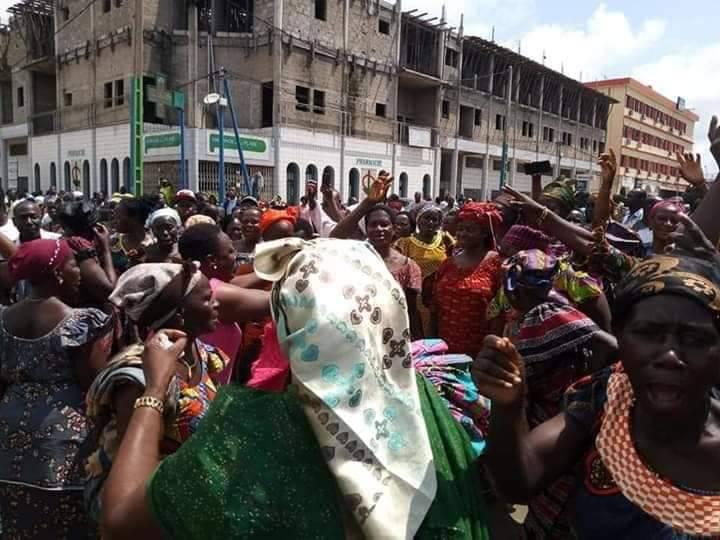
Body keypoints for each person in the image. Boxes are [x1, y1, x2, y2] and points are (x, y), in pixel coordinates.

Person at [99, 238, 491, 540]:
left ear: (291, 326)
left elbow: (119, 520)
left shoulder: (249, 436)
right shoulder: (432, 402)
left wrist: (153, 390)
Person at [474, 214, 720, 539]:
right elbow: (519, 483)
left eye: (694, 339)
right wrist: (509, 406)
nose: (670, 356)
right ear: (623, 337)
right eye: (648, 333)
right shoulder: (603, 398)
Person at [84, 262, 227, 525]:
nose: (217, 303)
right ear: (180, 315)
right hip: (146, 509)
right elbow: (132, 466)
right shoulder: (138, 376)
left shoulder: (201, 354)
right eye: (207, 299)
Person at [497, 249, 615, 539]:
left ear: (516, 287)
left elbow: (610, 346)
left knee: (554, 482)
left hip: (559, 412)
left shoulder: (550, 312)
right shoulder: (539, 310)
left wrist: (586, 383)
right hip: (549, 409)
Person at [0, 239, 113, 539]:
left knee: (19, 519)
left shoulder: (3, 318)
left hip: (9, 429)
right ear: (58, 273)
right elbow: (94, 385)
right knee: (65, 521)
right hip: (65, 436)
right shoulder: (78, 322)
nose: (79, 272)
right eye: (74, 264)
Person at [330, 175, 423, 338]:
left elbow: (411, 311)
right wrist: (368, 202)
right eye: (373, 225)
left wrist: (417, 343)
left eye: (384, 224)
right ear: (366, 229)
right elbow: (333, 238)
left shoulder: (408, 267)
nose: (379, 229)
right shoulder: (356, 258)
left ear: (394, 229)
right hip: (359, 334)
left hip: (394, 337)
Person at [178, 223, 270, 383]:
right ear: (212, 260)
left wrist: (277, 266)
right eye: (230, 251)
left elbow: (237, 285)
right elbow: (277, 300)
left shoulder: (189, 283)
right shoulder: (214, 294)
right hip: (204, 397)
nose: (236, 256)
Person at [432, 202, 503, 356]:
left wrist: (492, 351)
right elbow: (435, 309)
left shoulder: (497, 265)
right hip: (444, 350)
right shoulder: (448, 264)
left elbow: (502, 312)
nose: (462, 234)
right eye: (460, 229)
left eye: (469, 230)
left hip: (481, 353)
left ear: (484, 233)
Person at [395, 204, 454, 334]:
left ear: (439, 223)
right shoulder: (405, 243)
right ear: (418, 220)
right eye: (427, 218)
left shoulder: (445, 239)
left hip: (439, 296)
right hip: (414, 297)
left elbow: (455, 261)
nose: (430, 222)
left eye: (435, 219)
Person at [58, 201, 118, 306]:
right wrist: (106, 249)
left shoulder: (62, 243)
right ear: (95, 228)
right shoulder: (79, 248)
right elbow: (110, 291)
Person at [109, 196, 154, 274]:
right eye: (114, 216)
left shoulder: (153, 244)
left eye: (118, 217)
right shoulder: (112, 243)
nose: (114, 221)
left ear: (134, 218)